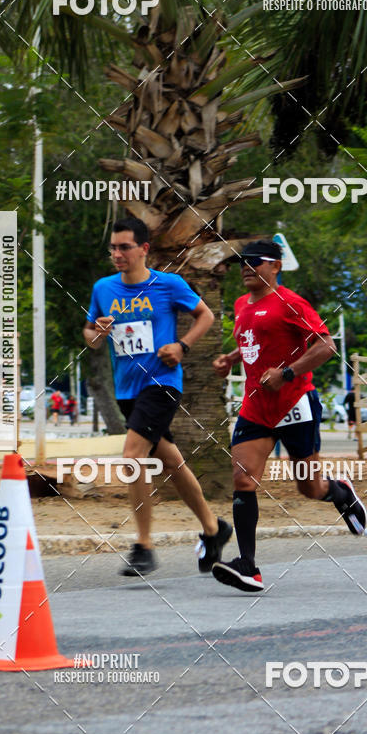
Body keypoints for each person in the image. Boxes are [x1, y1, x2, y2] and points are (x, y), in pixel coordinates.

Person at [210, 240, 367, 593]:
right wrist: (231, 359)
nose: (246, 267)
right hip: (255, 408)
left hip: (295, 404)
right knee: (242, 478)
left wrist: (287, 373)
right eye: (242, 263)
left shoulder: (290, 302)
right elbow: (255, 339)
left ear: (275, 267)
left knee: (310, 488)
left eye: (255, 262)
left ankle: (341, 494)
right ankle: (248, 566)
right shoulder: (240, 305)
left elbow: (326, 345)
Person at [83, 216, 232, 576]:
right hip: (127, 388)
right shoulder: (104, 289)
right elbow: (89, 334)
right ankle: (214, 529)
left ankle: (144, 545)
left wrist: (182, 346)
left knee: (133, 455)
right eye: (113, 248)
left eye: (124, 247)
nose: (117, 254)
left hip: (162, 384)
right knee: (172, 463)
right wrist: (98, 334)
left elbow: (205, 315)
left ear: (143, 249)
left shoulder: (168, 284)